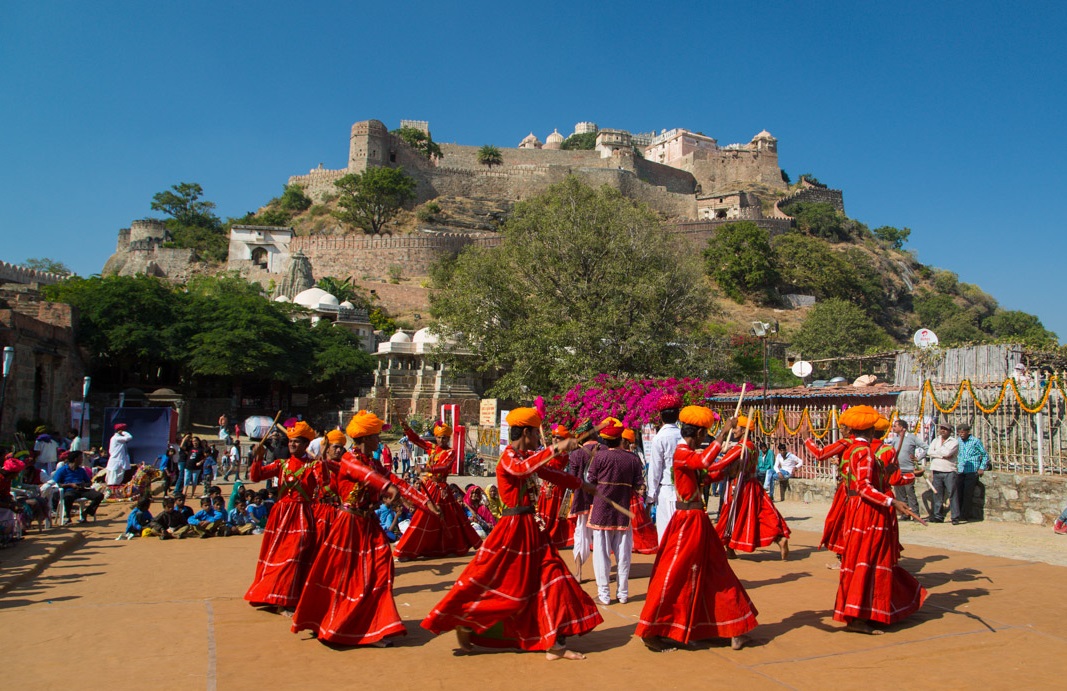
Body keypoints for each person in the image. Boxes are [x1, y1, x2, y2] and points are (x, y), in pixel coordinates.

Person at [422, 407, 602, 661]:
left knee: (553, 577)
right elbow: (522, 469)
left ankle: (554, 643)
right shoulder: (509, 457)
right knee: (509, 584)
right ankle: (469, 620)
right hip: (513, 529)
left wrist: (581, 484)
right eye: (536, 436)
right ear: (527, 432)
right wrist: (556, 449)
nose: (539, 440)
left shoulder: (525, 455)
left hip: (531, 528)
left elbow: (546, 471)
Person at [293, 410, 437, 646]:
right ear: (365, 437)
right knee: (347, 575)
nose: (379, 440)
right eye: (376, 436)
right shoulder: (351, 460)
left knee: (382, 568)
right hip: (350, 524)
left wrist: (425, 503)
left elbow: (395, 480)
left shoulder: (372, 461)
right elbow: (368, 477)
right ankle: (347, 624)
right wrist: (388, 488)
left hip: (368, 524)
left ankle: (375, 624)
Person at [636, 407, 756, 652]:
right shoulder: (682, 452)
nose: (707, 439)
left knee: (716, 571)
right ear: (701, 432)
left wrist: (730, 463)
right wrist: (723, 434)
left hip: (695, 520)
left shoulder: (687, 453)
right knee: (672, 573)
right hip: (687, 521)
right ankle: (653, 628)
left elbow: (704, 474)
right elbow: (702, 462)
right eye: (706, 435)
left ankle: (734, 626)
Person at [832, 406, 926, 634]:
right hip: (870, 510)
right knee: (871, 560)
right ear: (873, 430)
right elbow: (867, 486)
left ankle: (867, 612)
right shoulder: (867, 452)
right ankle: (861, 615)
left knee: (862, 560)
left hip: (857, 507)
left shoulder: (850, 449)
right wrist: (892, 502)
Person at [244, 421, 326, 612]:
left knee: (295, 554)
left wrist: (323, 464)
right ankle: (275, 595)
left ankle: (289, 597)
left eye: (297, 442)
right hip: (280, 516)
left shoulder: (313, 466)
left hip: (302, 515)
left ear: (306, 445)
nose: (292, 445)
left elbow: (325, 485)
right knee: (277, 555)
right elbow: (256, 477)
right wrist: (257, 459)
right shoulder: (281, 464)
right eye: (291, 442)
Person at [394, 417, 481, 560]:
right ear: (436, 437)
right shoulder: (432, 447)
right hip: (429, 486)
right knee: (423, 517)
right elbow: (417, 440)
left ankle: (453, 546)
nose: (443, 440)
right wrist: (406, 429)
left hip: (441, 489)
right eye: (440, 437)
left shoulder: (450, 452)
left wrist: (425, 467)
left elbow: (445, 467)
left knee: (449, 519)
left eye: (446, 438)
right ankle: (409, 549)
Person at [586, 418, 645, 605]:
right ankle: (623, 593)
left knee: (601, 554)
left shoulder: (599, 457)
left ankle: (604, 594)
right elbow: (639, 485)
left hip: (601, 511)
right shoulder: (633, 459)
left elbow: (590, 479)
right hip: (622, 512)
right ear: (620, 438)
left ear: (604, 439)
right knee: (624, 554)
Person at [715, 416, 790, 560]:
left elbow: (723, 463)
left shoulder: (741, 448)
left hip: (739, 487)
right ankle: (778, 539)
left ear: (743, 430)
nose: (734, 431)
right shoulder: (752, 446)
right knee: (760, 515)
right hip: (753, 484)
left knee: (730, 516)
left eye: (736, 428)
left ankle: (726, 547)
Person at [646, 393, 683, 542]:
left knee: (666, 535)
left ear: (660, 416)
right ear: (678, 415)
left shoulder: (659, 438)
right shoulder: (683, 435)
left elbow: (655, 470)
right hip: (685, 491)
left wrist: (650, 496)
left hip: (667, 490)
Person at [566, 422, 599, 582]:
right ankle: (603, 576)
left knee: (581, 535)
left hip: (582, 499)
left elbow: (572, 478)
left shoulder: (575, 454)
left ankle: (578, 573)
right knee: (602, 537)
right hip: (601, 499)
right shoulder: (604, 449)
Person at [623, 428, 658, 555]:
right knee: (636, 522)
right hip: (631, 495)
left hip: (619, 495)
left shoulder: (612, 454)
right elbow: (638, 479)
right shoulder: (633, 458)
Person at [538, 424, 573, 549]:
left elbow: (555, 469)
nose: (555, 439)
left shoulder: (562, 454)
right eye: (553, 436)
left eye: (558, 437)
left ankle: (549, 538)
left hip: (554, 487)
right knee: (542, 513)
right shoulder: (552, 450)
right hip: (546, 485)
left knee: (551, 514)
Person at [886, 418, 927, 520]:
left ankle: (915, 513)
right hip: (898, 469)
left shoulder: (911, 438)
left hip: (908, 469)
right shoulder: (895, 439)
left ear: (902, 427)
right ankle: (905, 514)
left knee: (910, 492)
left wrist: (918, 458)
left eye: (895, 426)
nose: (893, 428)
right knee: (900, 494)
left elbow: (926, 447)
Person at [53, 451, 103, 523]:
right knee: (68, 497)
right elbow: (56, 483)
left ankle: (86, 513)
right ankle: (67, 517)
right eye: (81, 458)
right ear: (75, 459)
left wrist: (84, 485)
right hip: (70, 489)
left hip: (82, 489)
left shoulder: (81, 470)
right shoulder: (62, 470)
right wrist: (70, 485)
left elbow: (89, 482)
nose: (82, 460)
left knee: (99, 495)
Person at [954, 423, 988, 524]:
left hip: (971, 470)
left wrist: (981, 467)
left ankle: (965, 515)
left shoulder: (975, 441)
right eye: (959, 432)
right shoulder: (958, 441)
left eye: (963, 432)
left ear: (968, 432)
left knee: (968, 493)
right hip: (960, 470)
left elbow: (985, 455)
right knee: (958, 492)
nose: (961, 434)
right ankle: (958, 513)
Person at [926, 423, 958, 523]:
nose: (943, 430)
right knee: (937, 494)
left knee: (952, 494)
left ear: (950, 431)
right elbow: (929, 452)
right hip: (936, 469)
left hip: (949, 470)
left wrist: (937, 453)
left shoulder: (954, 441)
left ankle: (955, 517)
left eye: (945, 429)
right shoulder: (936, 440)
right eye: (942, 429)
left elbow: (948, 453)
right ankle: (938, 516)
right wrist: (941, 454)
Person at [105, 423, 133, 488]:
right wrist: (123, 432)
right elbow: (129, 437)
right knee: (113, 479)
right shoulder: (116, 438)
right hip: (116, 461)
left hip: (119, 461)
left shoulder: (118, 438)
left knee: (118, 478)